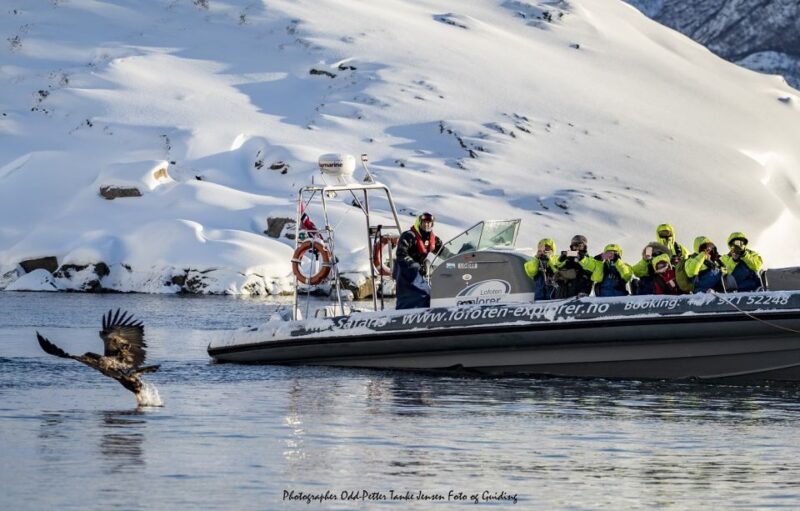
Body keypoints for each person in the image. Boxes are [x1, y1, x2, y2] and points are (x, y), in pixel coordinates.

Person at [393, 212, 443, 309]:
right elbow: (401, 254)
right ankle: (404, 314)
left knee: (429, 294)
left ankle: (427, 311)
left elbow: (443, 252)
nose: (427, 224)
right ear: (419, 222)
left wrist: (459, 256)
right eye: (424, 222)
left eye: (429, 223)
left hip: (419, 272)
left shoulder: (433, 239)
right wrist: (414, 265)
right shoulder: (408, 236)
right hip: (406, 272)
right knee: (422, 294)